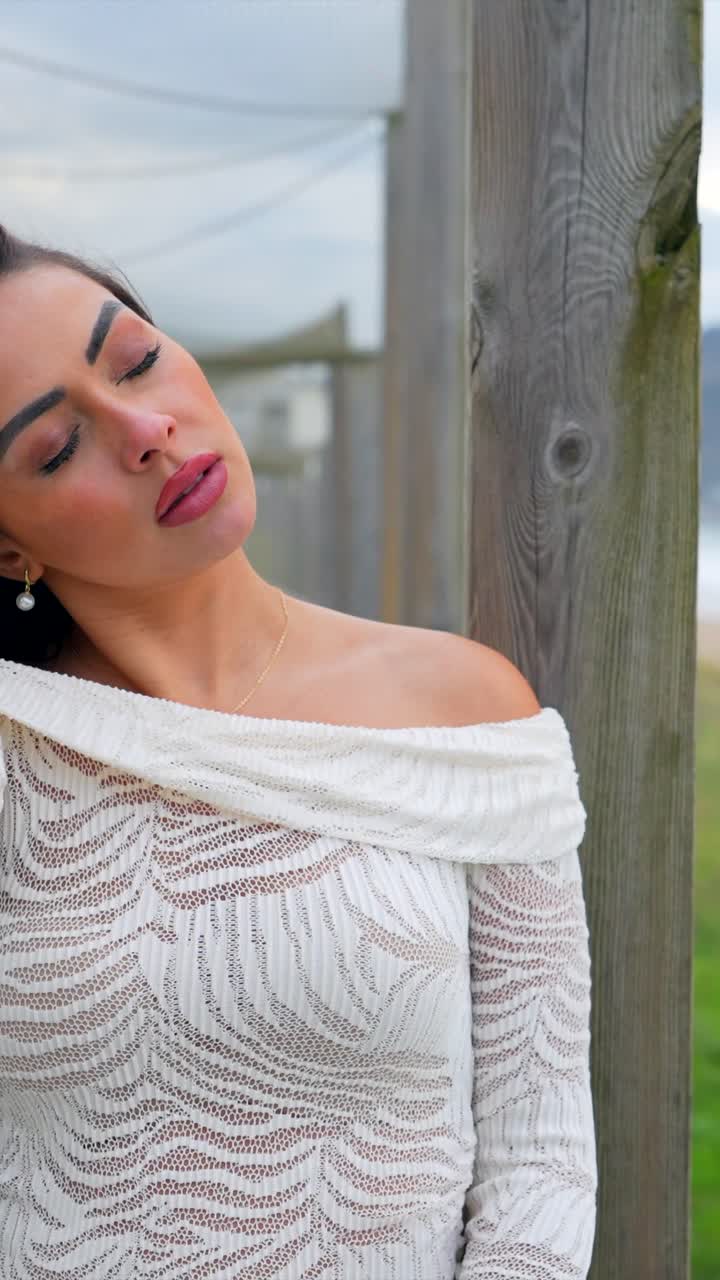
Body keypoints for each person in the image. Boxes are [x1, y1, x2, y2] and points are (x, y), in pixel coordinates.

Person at [0, 224, 597, 1279]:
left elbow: (538, 1156)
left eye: (136, 357)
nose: (147, 428)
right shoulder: (20, 748)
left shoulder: (464, 713)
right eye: (56, 446)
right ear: (9, 544)